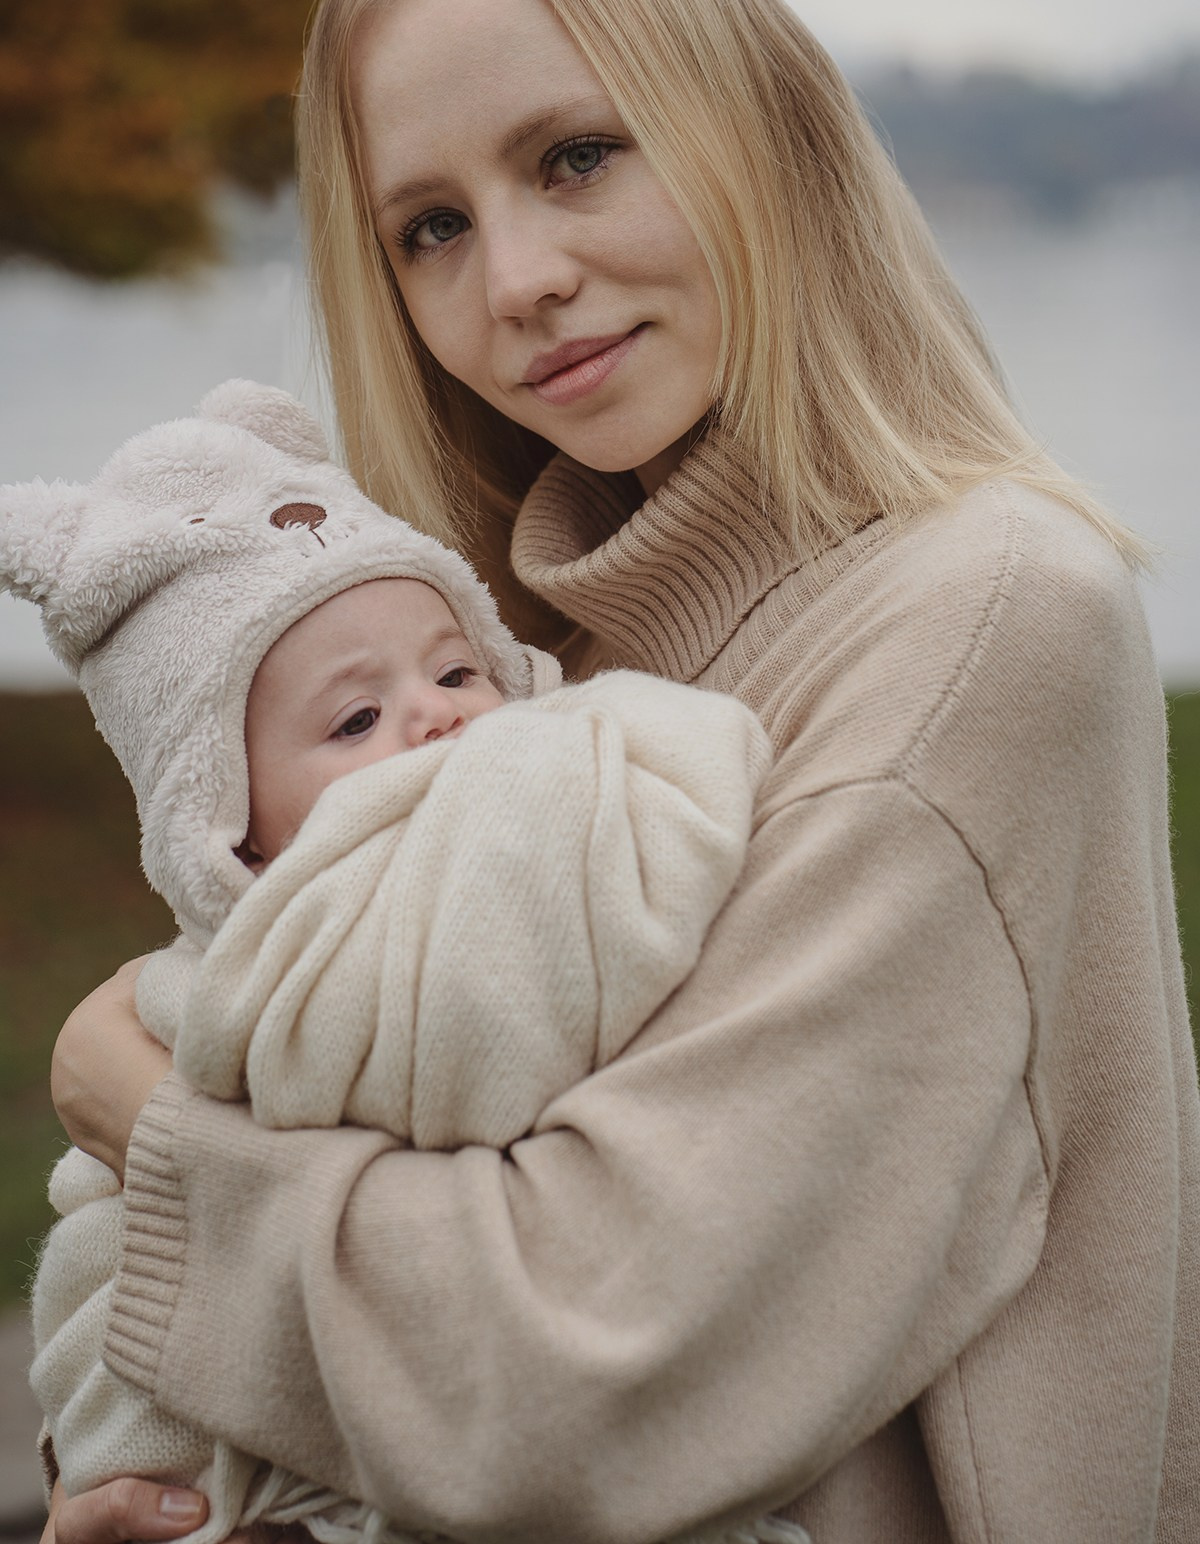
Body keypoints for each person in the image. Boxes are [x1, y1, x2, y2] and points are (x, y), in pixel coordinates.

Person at [43, 0, 1200, 1544]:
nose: (516, 280)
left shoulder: (983, 621)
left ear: (763, 131)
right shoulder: (517, 670)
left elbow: (582, 1378)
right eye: (433, 228)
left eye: (576, 157)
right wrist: (157, 1487)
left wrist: (148, 1124)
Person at [3, 380, 774, 1544]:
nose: (437, 717)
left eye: (457, 672)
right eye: (355, 721)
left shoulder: (569, 822)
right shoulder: (207, 994)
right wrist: (107, 1458)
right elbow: (115, 1251)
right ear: (231, 832)